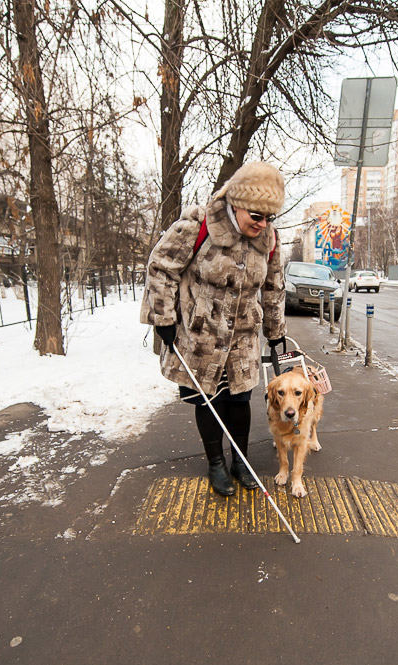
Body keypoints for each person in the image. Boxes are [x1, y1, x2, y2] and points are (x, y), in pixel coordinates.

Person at [141, 162, 286, 496]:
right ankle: (216, 463)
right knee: (208, 400)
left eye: (269, 217)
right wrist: (163, 319)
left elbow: (274, 286)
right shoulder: (198, 224)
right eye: (256, 215)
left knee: (240, 400)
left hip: (243, 338)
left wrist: (275, 329)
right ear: (236, 203)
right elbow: (161, 268)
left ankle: (240, 461)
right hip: (201, 335)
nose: (262, 224)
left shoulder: (269, 239)